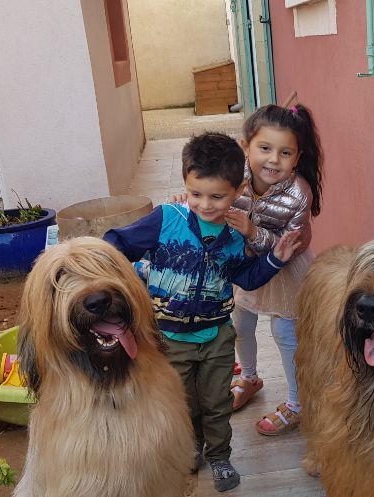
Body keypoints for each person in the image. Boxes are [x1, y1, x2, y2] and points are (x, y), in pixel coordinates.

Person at [104, 132, 301, 493]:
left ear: (238, 190)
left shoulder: (234, 234)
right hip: (169, 337)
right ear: (185, 185)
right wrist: (110, 271)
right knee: (183, 401)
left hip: (216, 338)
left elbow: (245, 277)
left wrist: (275, 259)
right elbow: (118, 242)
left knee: (216, 402)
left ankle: (220, 456)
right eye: (196, 194)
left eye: (217, 196)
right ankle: (191, 447)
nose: (206, 205)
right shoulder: (166, 218)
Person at [225, 103, 324, 436]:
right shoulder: (233, 178)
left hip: (285, 269)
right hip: (246, 266)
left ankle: (297, 403)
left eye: (285, 153)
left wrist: (252, 231)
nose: (273, 160)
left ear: (296, 158)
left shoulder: (298, 194)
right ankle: (249, 377)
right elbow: (210, 200)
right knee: (241, 323)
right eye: (264, 148)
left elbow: (289, 244)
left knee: (284, 335)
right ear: (246, 147)